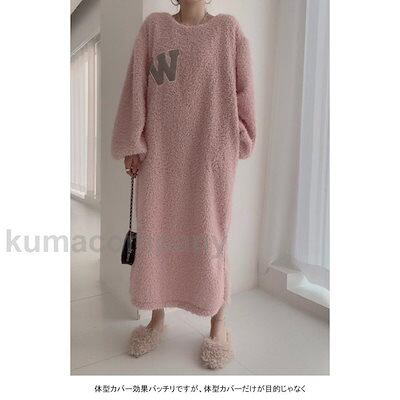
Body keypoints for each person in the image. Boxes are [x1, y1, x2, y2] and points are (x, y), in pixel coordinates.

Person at [111, 0, 256, 369]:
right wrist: (133, 142)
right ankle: (156, 317)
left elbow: (244, 92)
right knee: (156, 230)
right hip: (160, 154)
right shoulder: (155, 28)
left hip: (211, 156)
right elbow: (135, 88)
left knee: (211, 234)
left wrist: (237, 136)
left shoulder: (228, 30)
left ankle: (218, 323)